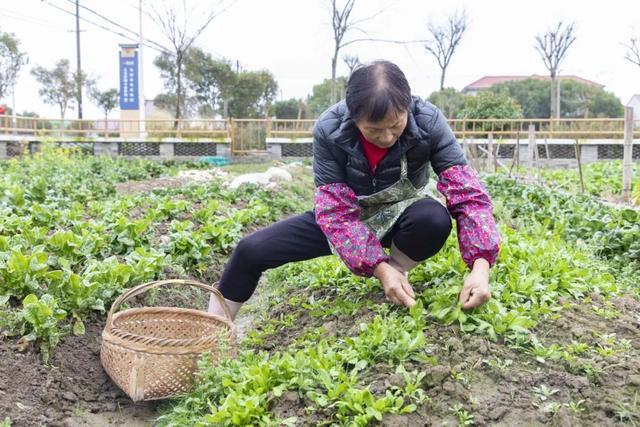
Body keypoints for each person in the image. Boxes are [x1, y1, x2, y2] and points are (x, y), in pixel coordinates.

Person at [209, 60, 500, 319]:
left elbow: (468, 195)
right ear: (353, 116)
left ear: (407, 106)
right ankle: (214, 333)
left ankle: (398, 273)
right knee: (249, 251)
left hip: (402, 213)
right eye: (374, 130)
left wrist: (481, 265)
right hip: (348, 215)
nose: (386, 137)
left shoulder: (428, 121)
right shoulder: (330, 129)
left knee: (433, 219)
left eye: (396, 125)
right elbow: (335, 212)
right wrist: (377, 267)